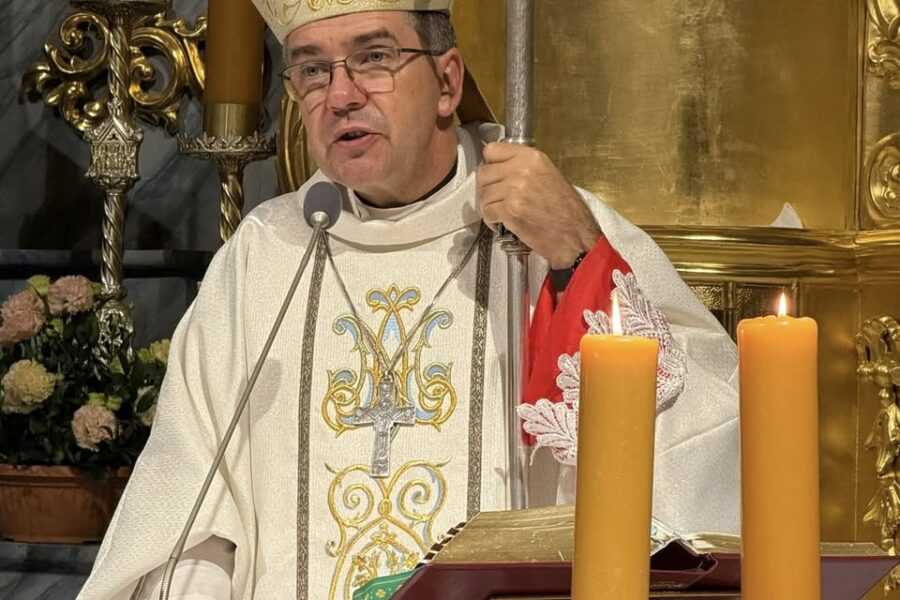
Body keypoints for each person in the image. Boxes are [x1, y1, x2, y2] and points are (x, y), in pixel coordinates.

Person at [78, 3, 740, 599]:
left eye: (374, 57)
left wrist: (579, 259)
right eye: (312, 71)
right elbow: (190, 523)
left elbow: (697, 451)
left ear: (447, 83)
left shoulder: (549, 228)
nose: (341, 95)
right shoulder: (262, 257)